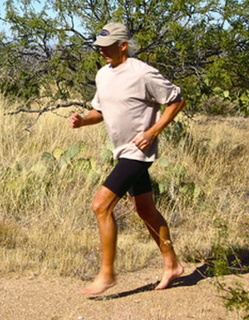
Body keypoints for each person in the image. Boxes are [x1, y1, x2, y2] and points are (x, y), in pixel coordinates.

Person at [68, 22, 186, 295]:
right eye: (98, 48)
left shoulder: (143, 73)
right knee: (145, 210)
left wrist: (153, 131)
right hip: (122, 151)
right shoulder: (103, 75)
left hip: (139, 152)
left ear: (123, 46)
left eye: (107, 47)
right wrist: (82, 121)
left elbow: (177, 100)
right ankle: (172, 264)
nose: (101, 52)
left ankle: (107, 274)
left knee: (100, 206)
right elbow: (100, 111)